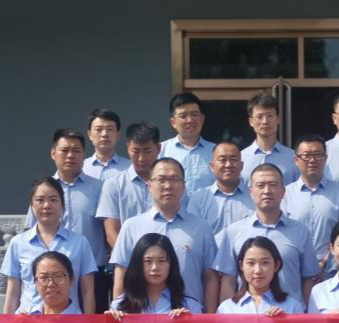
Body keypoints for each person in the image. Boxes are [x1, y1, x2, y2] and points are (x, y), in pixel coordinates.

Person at [110, 158, 219, 312]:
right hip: (141, 317)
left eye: (175, 179)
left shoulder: (201, 227)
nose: (168, 186)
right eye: (161, 180)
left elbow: (210, 277)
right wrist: (119, 314)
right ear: (149, 185)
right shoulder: (131, 226)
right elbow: (121, 274)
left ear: (183, 186)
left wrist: (210, 317)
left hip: (190, 315)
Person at [25, 129, 108, 309]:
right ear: (53, 153)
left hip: (91, 272)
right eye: (64, 150)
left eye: (76, 151)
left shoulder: (100, 188)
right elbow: (31, 229)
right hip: (50, 278)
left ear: (84, 155)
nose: (70, 155)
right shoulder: (43, 190)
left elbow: (108, 230)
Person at [216, 164, 320, 305]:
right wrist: (226, 315)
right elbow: (228, 280)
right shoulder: (234, 232)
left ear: (283, 191)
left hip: (289, 313)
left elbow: (308, 280)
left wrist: (309, 314)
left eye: (273, 185)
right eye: (260, 185)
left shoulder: (300, 232)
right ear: (251, 192)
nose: (267, 191)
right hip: (248, 313)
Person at [4, 176, 97, 314]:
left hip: (68, 320)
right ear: (31, 205)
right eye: (40, 200)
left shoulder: (80, 243)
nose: (47, 205)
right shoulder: (18, 243)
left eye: (53, 200)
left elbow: (87, 291)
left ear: (62, 205)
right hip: (28, 319)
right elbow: (12, 292)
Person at [282, 134, 339, 271]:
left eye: (318, 155)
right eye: (306, 155)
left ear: (325, 158)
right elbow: (283, 233)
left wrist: (325, 261)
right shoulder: (285, 194)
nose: (312, 160)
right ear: (296, 160)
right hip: (295, 268)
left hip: (331, 268)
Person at [96, 122, 162, 251]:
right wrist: (131, 260)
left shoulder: (170, 184)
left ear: (159, 148)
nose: (141, 158)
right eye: (135, 151)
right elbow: (111, 233)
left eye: (147, 151)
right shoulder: (113, 185)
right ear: (127, 148)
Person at [189, 140, 255, 233]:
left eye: (233, 159)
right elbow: (193, 232)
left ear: (241, 165)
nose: (228, 165)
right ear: (212, 166)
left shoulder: (254, 196)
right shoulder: (199, 198)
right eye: (222, 160)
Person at [160, 92, 216, 194]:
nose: (190, 120)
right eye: (183, 116)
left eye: (194, 115)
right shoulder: (161, 150)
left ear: (202, 119)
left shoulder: (216, 152)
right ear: (173, 122)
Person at [241, 92, 299, 185]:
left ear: (278, 119)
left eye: (270, 116)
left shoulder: (293, 158)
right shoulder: (241, 158)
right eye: (259, 117)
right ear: (251, 121)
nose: (265, 121)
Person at [84, 108, 131, 182]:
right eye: (98, 129)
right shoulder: (81, 168)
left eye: (110, 129)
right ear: (89, 134)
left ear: (118, 134)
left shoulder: (130, 168)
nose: (104, 134)